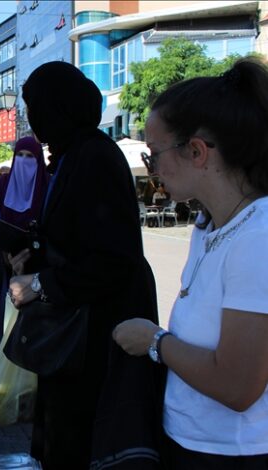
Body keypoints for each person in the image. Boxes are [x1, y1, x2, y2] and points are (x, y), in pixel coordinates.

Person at [113, 58, 268, 468]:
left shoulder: (259, 237)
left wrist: (155, 342)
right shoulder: (210, 224)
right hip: (189, 443)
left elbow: (238, 385)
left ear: (196, 151)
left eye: (154, 156)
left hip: (232, 455)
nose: (154, 171)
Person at [8, 61, 161, 469]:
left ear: (58, 108)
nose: (32, 118)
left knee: (78, 444)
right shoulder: (73, 153)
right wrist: (34, 254)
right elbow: (74, 237)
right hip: (75, 331)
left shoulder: (94, 157)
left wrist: (41, 283)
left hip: (94, 337)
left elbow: (113, 259)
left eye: (35, 107)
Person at [0, 136, 49, 348]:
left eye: (30, 157)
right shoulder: (4, 184)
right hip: (6, 264)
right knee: (6, 322)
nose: (23, 161)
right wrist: (6, 254)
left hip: (37, 268)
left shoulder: (46, 185)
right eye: (20, 155)